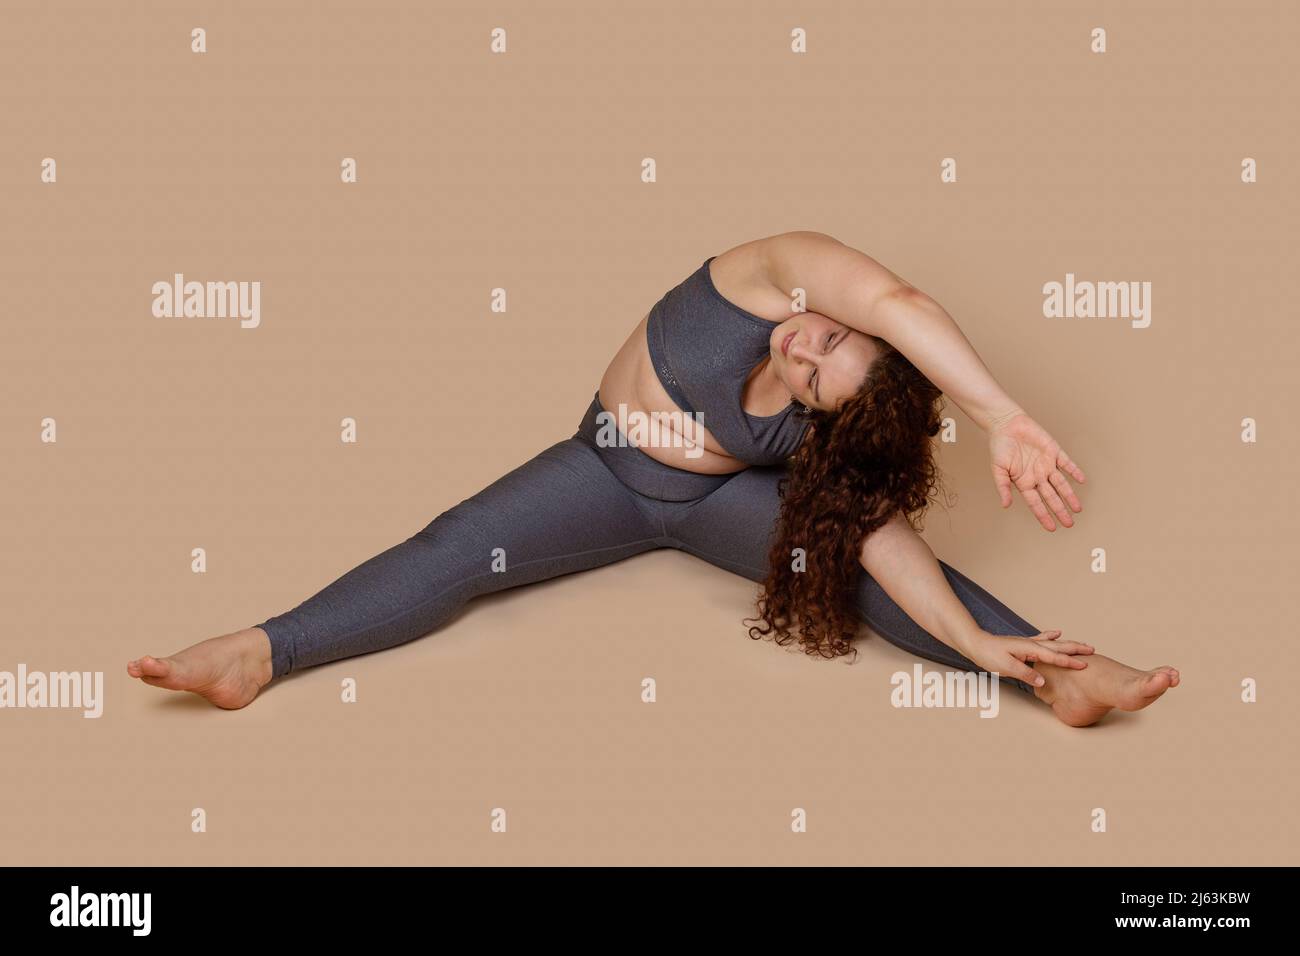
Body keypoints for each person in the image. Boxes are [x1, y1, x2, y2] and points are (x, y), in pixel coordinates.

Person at [127, 231, 1179, 726]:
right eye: (823, 340)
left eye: (816, 380)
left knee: (874, 569)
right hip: (601, 475)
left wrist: (974, 644)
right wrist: (1005, 414)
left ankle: (1056, 672)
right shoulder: (775, 273)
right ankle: (258, 651)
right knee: (454, 546)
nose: (802, 349)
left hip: (715, 505)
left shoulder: (824, 427)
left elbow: (879, 532)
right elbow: (899, 295)